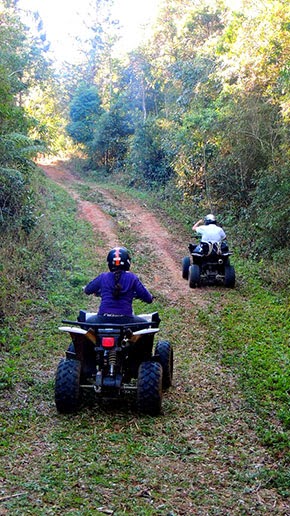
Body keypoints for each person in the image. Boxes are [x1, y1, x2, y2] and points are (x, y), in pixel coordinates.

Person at [83, 246, 154, 325]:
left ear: (109, 263)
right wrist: (149, 297)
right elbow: (148, 299)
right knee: (146, 324)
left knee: (83, 319)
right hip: (126, 320)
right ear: (128, 262)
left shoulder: (103, 277)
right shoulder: (132, 278)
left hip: (103, 319)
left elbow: (87, 290)